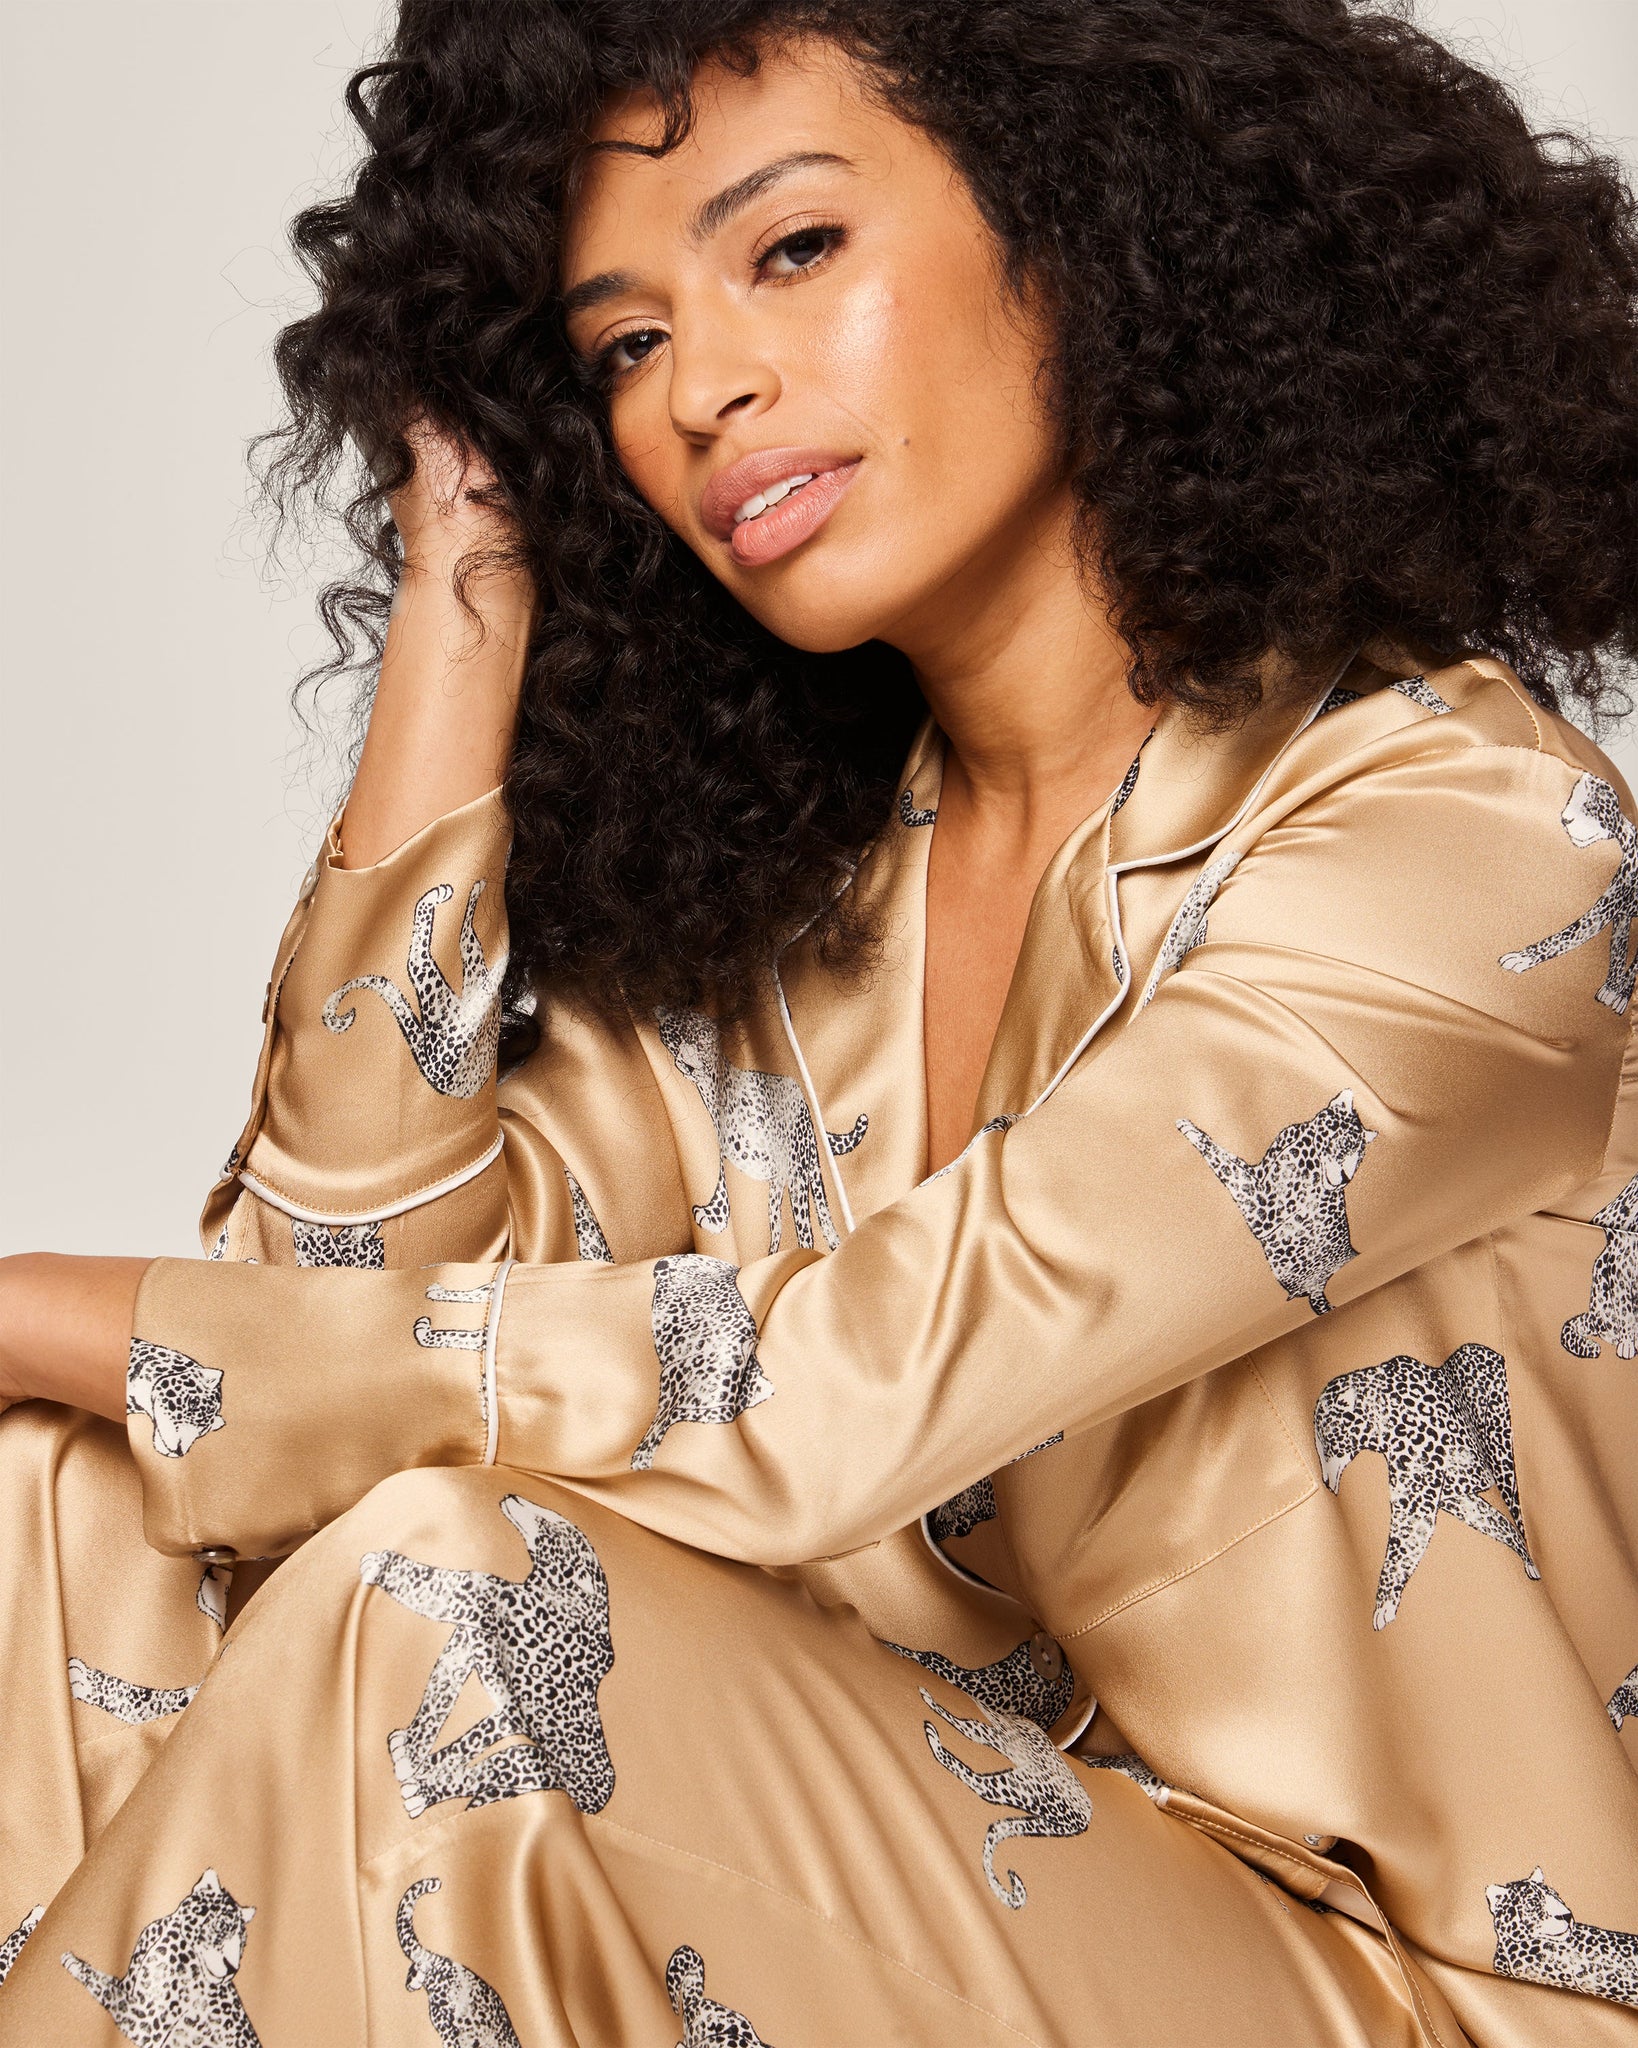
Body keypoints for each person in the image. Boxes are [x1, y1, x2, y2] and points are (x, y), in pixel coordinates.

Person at [3, 1, 1638, 2039]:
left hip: (1425, 1994)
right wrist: (466, 583)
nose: (706, 387)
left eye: (789, 252)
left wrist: (61, 1299)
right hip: (944, 1925)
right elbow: (324, 1321)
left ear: (1084, 210)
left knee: (459, 1602)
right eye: (621, 346)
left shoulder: (1471, 838)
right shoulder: (793, 942)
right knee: (65, 1496)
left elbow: (847, 1384)